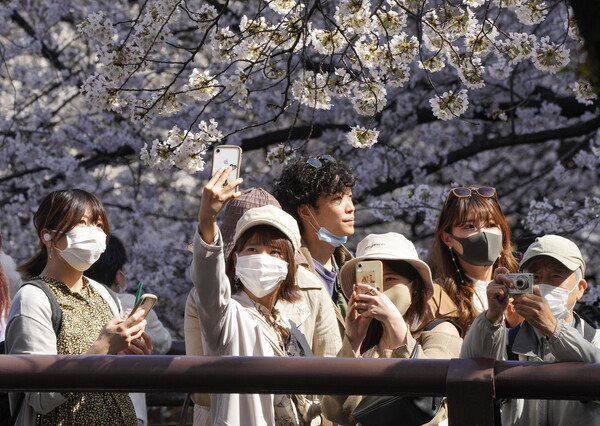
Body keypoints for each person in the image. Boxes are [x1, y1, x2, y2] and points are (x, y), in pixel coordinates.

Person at [184, 187, 341, 426]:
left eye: (274, 251)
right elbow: (209, 285)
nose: (262, 258)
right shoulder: (227, 314)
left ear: (290, 264)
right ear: (236, 258)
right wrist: (207, 221)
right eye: (252, 249)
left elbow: (329, 376)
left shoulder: (284, 322)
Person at [6, 189, 152, 426]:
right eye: (81, 223)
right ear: (48, 236)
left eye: (98, 225)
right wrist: (102, 348)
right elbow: (40, 395)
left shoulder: (103, 293)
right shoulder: (33, 298)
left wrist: (133, 355)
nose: (94, 233)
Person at [322, 233, 462, 425]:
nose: (379, 290)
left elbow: (427, 402)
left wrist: (396, 328)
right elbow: (338, 414)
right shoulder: (364, 342)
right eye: (371, 281)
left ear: (414, 287)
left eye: (389, 279)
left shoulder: (441, 332)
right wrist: (353, 343)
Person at [461, 234, 600, 425]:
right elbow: (469, 371)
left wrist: (554, 330)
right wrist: (491, 318)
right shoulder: (506, 341)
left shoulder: (596, 340)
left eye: (556, 276)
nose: (543, 285)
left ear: (580, 289)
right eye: (534, 276)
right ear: (520, 283)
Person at [85, 235, 173, 426]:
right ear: (119, 276)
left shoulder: (75, 304)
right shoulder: (129, 304)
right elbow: (163, 341)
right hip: (130, 411)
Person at [273, 154, 356, 324]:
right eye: (337, 199)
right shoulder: (286, 274)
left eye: (350, 196)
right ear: (305, 212)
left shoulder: (351, 268)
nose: (351, 207)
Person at [429, 186, 519, 334]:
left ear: (502, 231)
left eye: (491, 225)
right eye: (469, 226)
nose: (483, 233)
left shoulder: (521, 286)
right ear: (447, 238)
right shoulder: (436, 295)